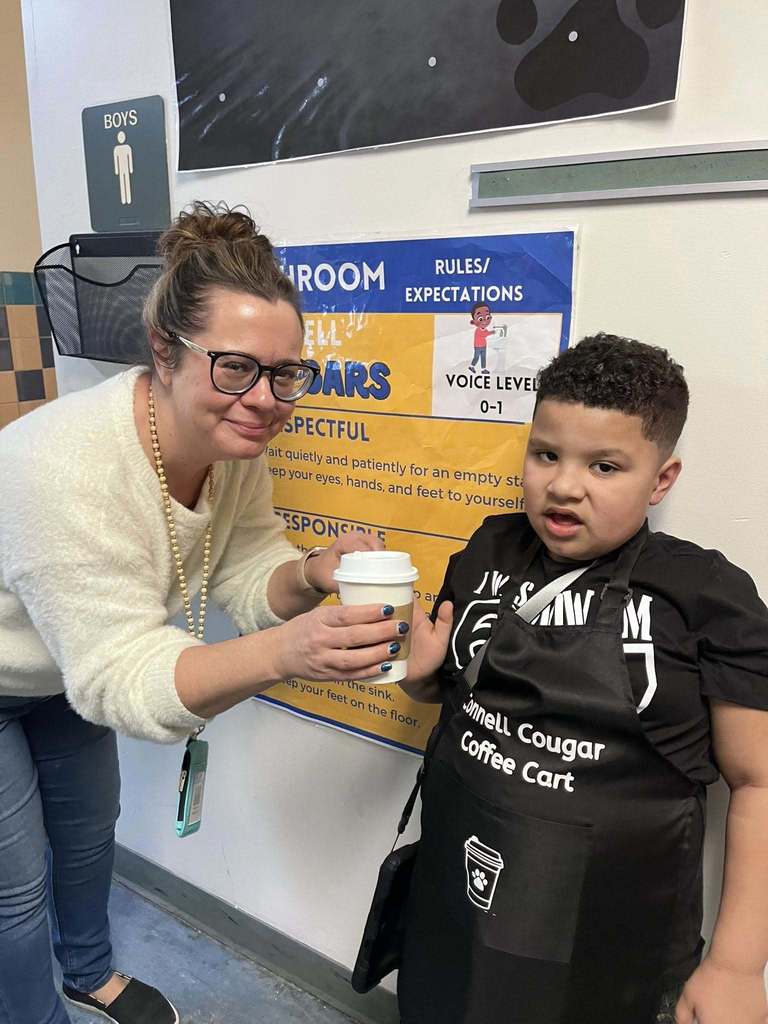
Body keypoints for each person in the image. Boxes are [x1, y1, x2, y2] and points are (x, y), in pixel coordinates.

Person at [0, 202, 408, 1024]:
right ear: (165, 351)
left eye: (286, 372)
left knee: (88, 837)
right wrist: (289, 653)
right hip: (22, 666)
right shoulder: (63, 468)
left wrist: (311, 572)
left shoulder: (230, 448)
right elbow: (121, 678)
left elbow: (249, 569)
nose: (265, 400)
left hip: (64, 671)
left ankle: (88, 972)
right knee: (14, 889)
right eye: (236, 367)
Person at [398, 334, 768, 1023]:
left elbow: (760, 781)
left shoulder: (705, 596)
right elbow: (448, 699)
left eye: (604, 465)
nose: (564, 485)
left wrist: (737, 964)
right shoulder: (488, 548)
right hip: (457, 897)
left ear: (661, 479)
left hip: (610, 942)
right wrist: (417, 679)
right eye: (546, 455)